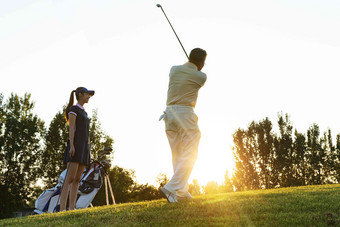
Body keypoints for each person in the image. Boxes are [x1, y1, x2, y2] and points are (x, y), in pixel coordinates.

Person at [160, 48, 207, 202]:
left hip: (169, 114)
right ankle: (172, 187)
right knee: (191, 153)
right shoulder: (201, 76)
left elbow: (185, 70)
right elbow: (197, 72)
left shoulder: (173, 70)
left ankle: (180, 191)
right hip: (185, 113)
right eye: (204, 62)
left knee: (177, 154)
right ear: (200, 62)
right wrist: (197, 66)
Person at [59, 87, 95, 211]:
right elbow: (72, 128)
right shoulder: (74, 109)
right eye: (87, 94)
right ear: (80, 94)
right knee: (69, 179)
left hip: (85, 147)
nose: (89, 96)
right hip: (76, 146)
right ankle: (63, 208)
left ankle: (72, 208)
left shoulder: (84, 112)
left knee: (77, 180)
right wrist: (72, 145)